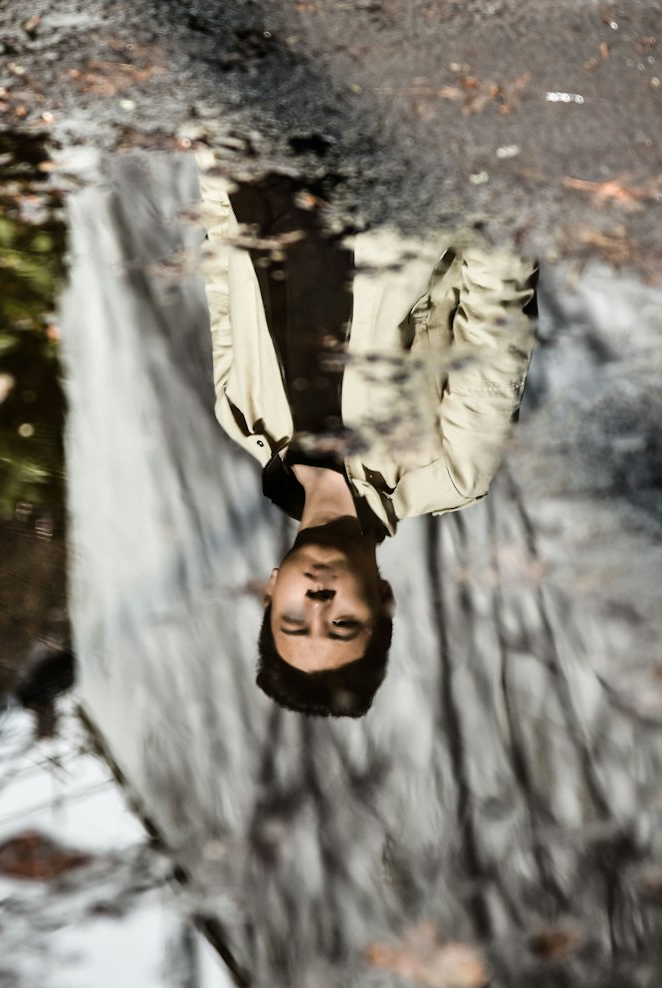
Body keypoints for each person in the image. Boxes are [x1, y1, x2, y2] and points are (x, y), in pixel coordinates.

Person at [196, 158, 538, 717]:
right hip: (404, 160)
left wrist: (213, 152)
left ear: (270, 590)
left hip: (267, 149)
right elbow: (495, 314)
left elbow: (223, 259)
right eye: (343, 624)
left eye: (293, 619)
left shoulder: (241, 416)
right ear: (382, 600)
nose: (318, 603)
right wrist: (476, 159)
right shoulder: (449, 472)